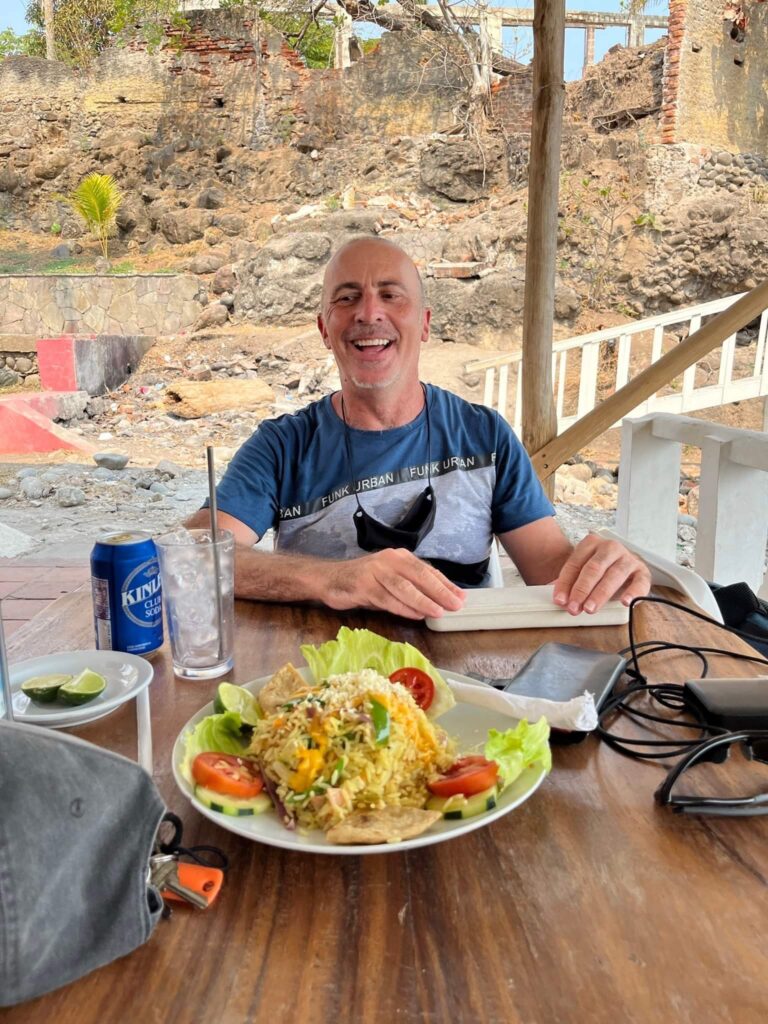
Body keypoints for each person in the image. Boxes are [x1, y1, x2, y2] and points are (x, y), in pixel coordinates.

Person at [187, 236, 650, 619]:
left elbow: (549, 567)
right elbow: (193, 554)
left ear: (424, 323)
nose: (369, 313)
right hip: (327, 685)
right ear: (325, 329)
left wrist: (599, 571)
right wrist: (334, 579)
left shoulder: (484, 436)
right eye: (347, 298)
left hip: (467, 684)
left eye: (391, 295)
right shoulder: (282, 446)